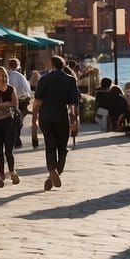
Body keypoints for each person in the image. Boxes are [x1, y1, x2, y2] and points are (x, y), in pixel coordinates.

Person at [31, 55, 80, 191]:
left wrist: (33, 119)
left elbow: (37, 102)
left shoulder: (44, 79)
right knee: (62, 149)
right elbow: (72, 105)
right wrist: (74, 121)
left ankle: (52, 171)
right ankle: (56, 171)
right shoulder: (70, 80)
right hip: (61, 117)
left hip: (45, 118)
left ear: (52, 64)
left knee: (50, 145)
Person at [5, 58, 33, 149]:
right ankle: (16, 138)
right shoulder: (21, 76)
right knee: (18, 121)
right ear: (18, 66)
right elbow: (27, 90)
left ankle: (14, 138)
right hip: (22, 100)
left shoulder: (8, 76)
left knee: (13, 121)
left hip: (13, 101)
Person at [28, 69, 42, 148]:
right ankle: (34, 133)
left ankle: (34, 136)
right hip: (39, 101)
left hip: (34, 101)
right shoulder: (40, 82)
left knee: (35, 118)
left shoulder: (31, 82)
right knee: (37, 117)